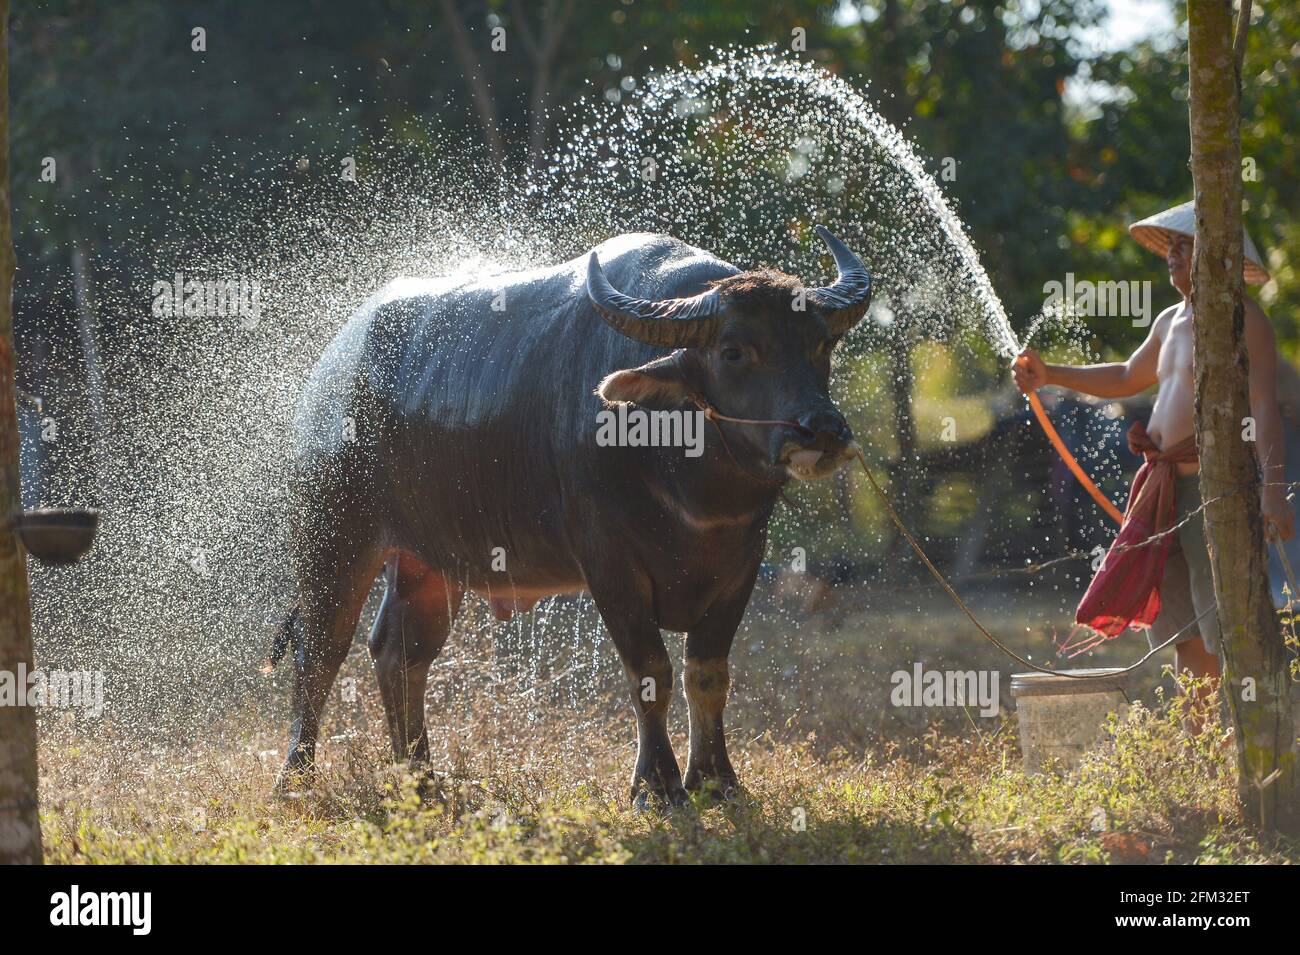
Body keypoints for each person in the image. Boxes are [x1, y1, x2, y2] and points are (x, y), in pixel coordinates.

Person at [1013, 200, 1295, 681]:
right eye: (1173, 246)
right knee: (1181, 633)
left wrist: (1272, 492)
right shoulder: (1168, 320)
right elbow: (1127, 375)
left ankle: (1246, 741)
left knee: (1227, 625)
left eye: (1188, 246)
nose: (1174, 254)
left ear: (1221, 256)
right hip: (1162, 494)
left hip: (1217, 493)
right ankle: (1200, 746)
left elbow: (1264, 408)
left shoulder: (1243, 319)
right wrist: (1049, 374)